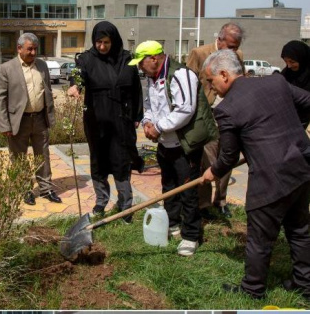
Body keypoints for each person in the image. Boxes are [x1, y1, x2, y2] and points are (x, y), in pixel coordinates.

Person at [201, 49, 310, 300]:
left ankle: (253, 290)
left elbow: (227, 157)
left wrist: (212, 172)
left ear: (225, 75)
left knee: (260, 238)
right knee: (299, 230)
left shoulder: (227, 109)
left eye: (211, 80)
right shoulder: (277, 82)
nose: (211, 87)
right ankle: (305, 285)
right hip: (301, 168)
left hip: (271, 180)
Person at [133, 40, 215, 256]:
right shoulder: (152, 78)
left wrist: (158, 127)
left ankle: (191, 235)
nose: (140, 68)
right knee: (169, 187)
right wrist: (148, 123)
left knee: (187, 190)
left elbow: (186, 109)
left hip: (184, 145)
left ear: (154, 58)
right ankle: (173, 223)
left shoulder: (181, 75)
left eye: (141, 63)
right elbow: (150, 105)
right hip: (164, 144)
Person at [67, 21, 142, 221]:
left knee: (121, 161)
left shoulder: (127, 59)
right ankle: (101, 200)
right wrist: (75, 86)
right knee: (99, 161)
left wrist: (136, 116)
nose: (101, 46)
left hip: (121, 121)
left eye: (106, 42)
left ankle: (125, 205)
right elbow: (78, 75)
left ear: (114, 40)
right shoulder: (86, 59)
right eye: (98, 42)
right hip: (96, 121)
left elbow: (136, 91)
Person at [186, 22, 246, 219]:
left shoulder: (239, 57)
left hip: (231, 114)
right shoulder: (199, 53)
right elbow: (188, 84)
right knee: (207, 161)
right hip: (208, 116)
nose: (233, 51)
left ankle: (220, 200)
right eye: (229, 46)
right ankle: (204, 205)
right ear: (219, 40)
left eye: (235, 47)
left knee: (228, 156)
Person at [0, 32, 60, 205]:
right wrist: (4, 124)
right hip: (18, 121)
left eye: (35, 49)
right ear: (19, 48)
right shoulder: (6, 68)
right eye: (29, 49)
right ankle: (24, 189)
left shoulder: (42, 66)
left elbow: (47, 92)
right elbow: (0, 99)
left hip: (39, 119)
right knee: (19, 157)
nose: (33, 53)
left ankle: (46, 189)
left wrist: (50, 115)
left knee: (43, 155)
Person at [280, 40, 310, 127]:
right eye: (286, 62)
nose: (289, 66)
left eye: (292, 62)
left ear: (302, 59)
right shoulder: (287, 73)